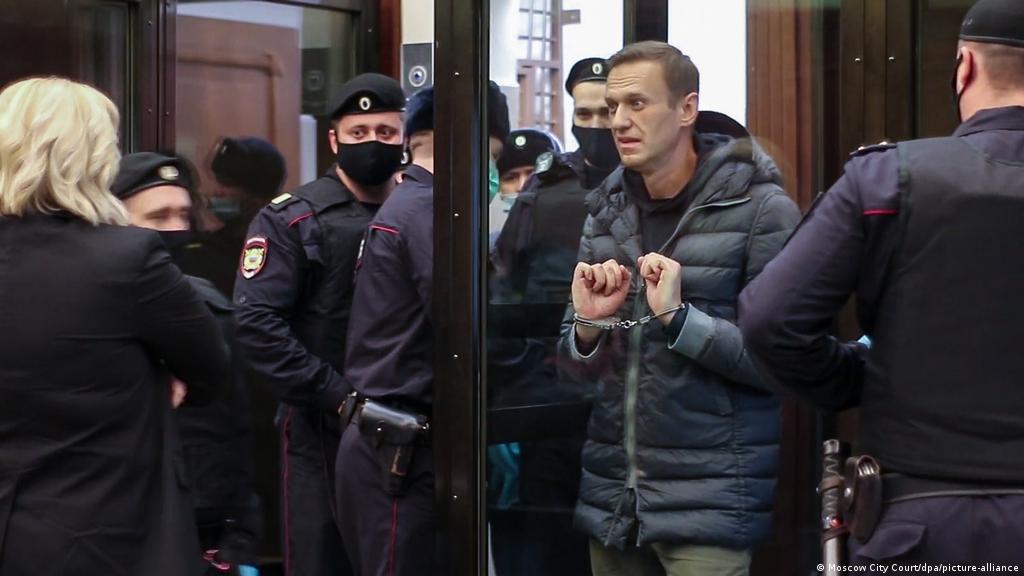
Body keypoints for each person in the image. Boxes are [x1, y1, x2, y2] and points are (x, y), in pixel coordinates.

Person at [739, 0, 1024, 567]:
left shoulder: (886, 179)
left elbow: (772, 321)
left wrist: (855, 378)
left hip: (921, 519)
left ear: (964, 66)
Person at [561, 42, 800, 575]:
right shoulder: (605, 211)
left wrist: (681, 320)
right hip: (615, 505)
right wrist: (588, 329)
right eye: (612, 106)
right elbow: (574, 374)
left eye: (637, 105)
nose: (618, 122)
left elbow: (782, 363)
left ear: (686, 109)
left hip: (708, 510)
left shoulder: (760, 210)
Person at [0, 77, 229, 576]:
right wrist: (158, 375)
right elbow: (211, 367)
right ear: (92, 159)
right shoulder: (126, 257)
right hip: (103, 537)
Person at [233, 73, 406, 576]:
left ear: (403, 138)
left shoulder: (423, 211)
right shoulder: (293, 218)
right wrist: (340, 398)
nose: (372, 143)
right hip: (322, 424)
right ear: (334, 140)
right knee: (321, 558)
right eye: (358, 133)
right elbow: (257, 327)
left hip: (408, 424)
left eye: (385, 131)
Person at [336, 82, 509, 576]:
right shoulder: (435, 214)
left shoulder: (408, 204)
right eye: (493, 158)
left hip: (384, 442)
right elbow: (463, 325)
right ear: (479, 145)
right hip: (399, 450)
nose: (492, 174)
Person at [112, 152, 263, 576]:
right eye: (158, 217)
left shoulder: (210, 310)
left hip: (202, 529)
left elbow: (234, 437)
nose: (176, 229)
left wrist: (241, 542)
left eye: (182, 215)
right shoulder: (89, 313)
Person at [493, 57, 617, 302]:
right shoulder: (546, 181)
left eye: (605, 113)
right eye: (583, 114)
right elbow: (507, 270)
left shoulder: (645, 180)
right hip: (547, 328)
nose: (595, 124)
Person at [181, 136, 287, 296]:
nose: (217, 191)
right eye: (218, 181)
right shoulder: (207, 250)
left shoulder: (287, 249)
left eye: (227, 183)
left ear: (259, 196)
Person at [489, 128, 561, 246]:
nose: (523, 186)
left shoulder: (582, 242)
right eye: (510, 178)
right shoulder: (490, 249)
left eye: (533, 174)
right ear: (499, 187)